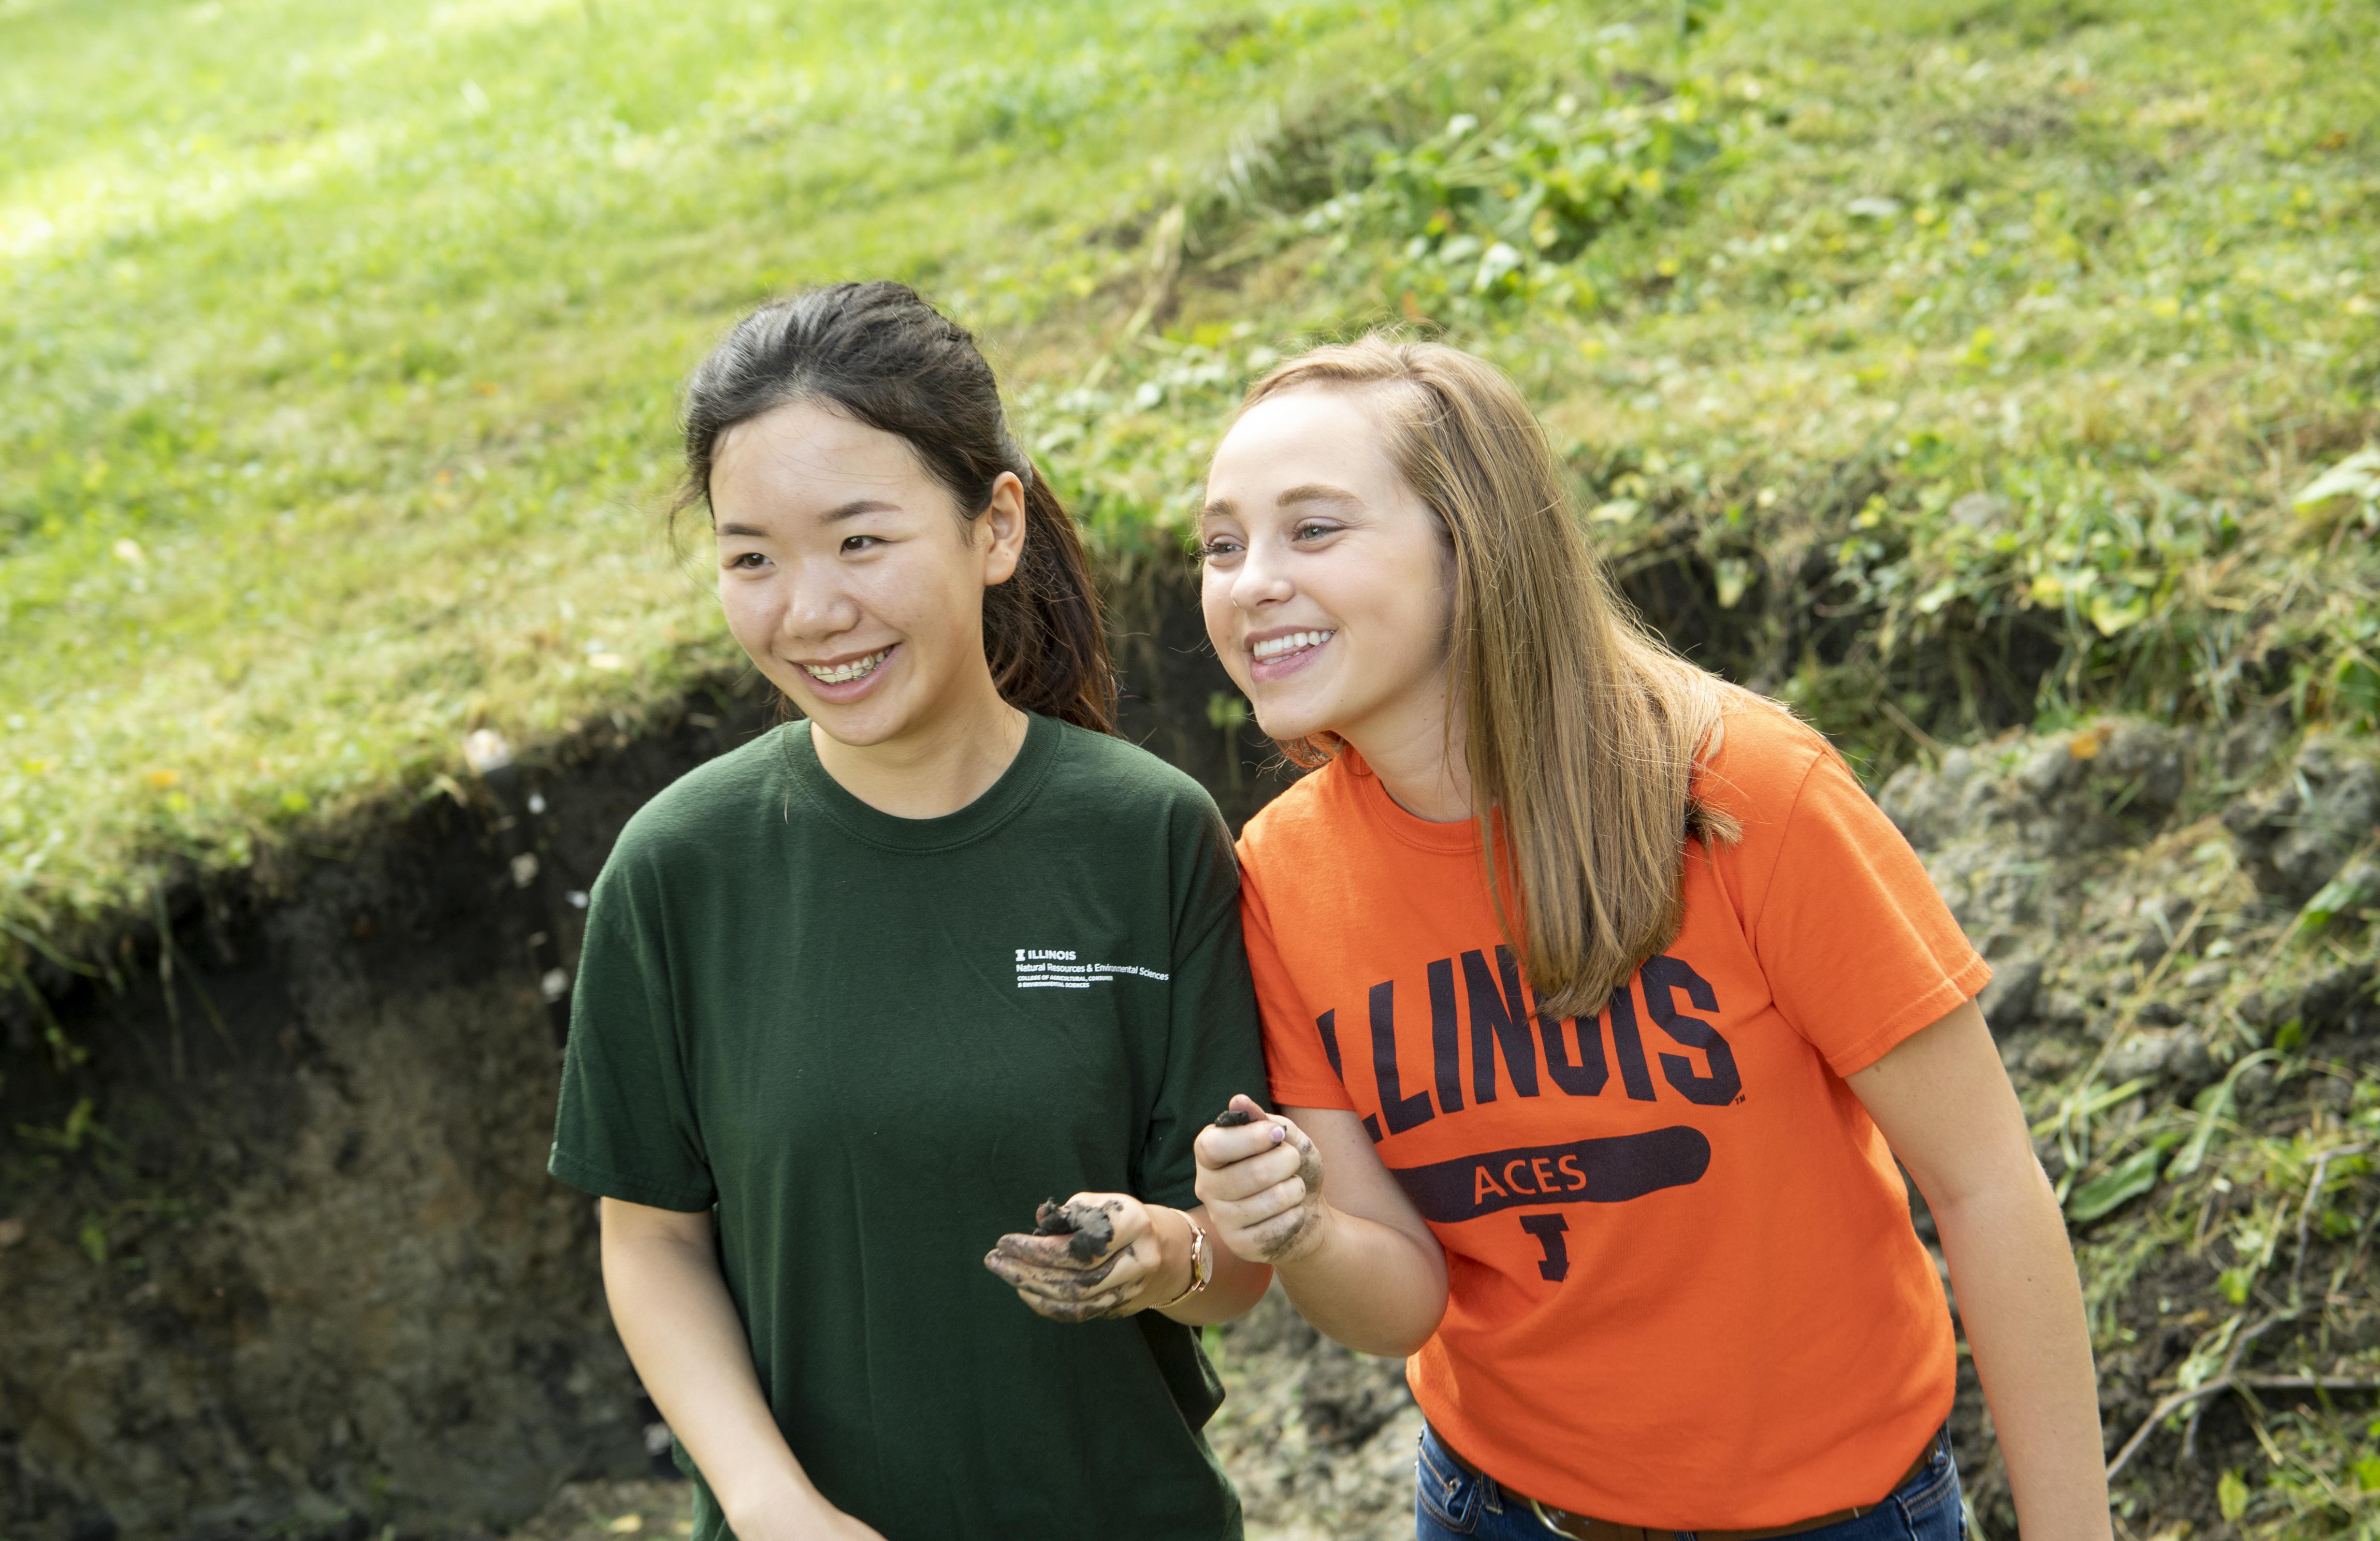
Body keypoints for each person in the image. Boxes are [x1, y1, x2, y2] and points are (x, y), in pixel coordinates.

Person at [1189, 336, 2111, 1541]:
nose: (1249, 581)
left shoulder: (1746, 793)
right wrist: (1299, 1228)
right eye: (1220, 545)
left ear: (1476, 549)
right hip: (1496, 1511)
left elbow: (1986, 1184)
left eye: (1314, 530)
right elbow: (1399, 1304)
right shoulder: (1280, 874)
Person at [548, 282, 1273, 1541]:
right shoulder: (677, 869)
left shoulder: (1150, 836)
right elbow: (652, 1241)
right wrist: (774, 1507)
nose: (810, 610)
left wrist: (1161, 1255)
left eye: (861, 541)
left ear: (995, 528)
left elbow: (1235, 1265)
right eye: (751, 558)